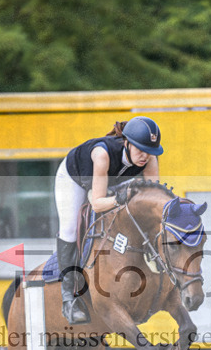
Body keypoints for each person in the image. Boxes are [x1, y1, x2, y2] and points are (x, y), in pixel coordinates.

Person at [54, 116, 162, 324]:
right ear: (127, 143)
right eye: (140, 149)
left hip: (113, 181)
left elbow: (151, 199)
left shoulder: (149, 159)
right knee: (68, 229)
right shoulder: (102, 154)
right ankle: (69, 298)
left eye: (149, 151)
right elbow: (97, 203)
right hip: (75, 178)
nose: (145, 156)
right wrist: (120, 198)